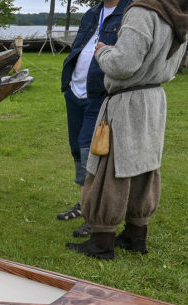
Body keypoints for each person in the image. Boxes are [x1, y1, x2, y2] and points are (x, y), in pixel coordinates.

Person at [66, 0, 188, 260]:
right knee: (143, 165)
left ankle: (102, 241)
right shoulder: (177, 14)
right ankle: (136, 235)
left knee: (110, 168)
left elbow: (123, 65)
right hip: (153, 98)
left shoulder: (141, 11)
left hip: (127, 101)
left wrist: (102, 51)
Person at [59, 0, 132, 238]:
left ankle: (96, 213)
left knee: (91, 153)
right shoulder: (93, 12)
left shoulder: (130, 11)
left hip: (98, 94)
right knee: (76, 151)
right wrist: (70, 85)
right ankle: (85, 204)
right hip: (75, 92)